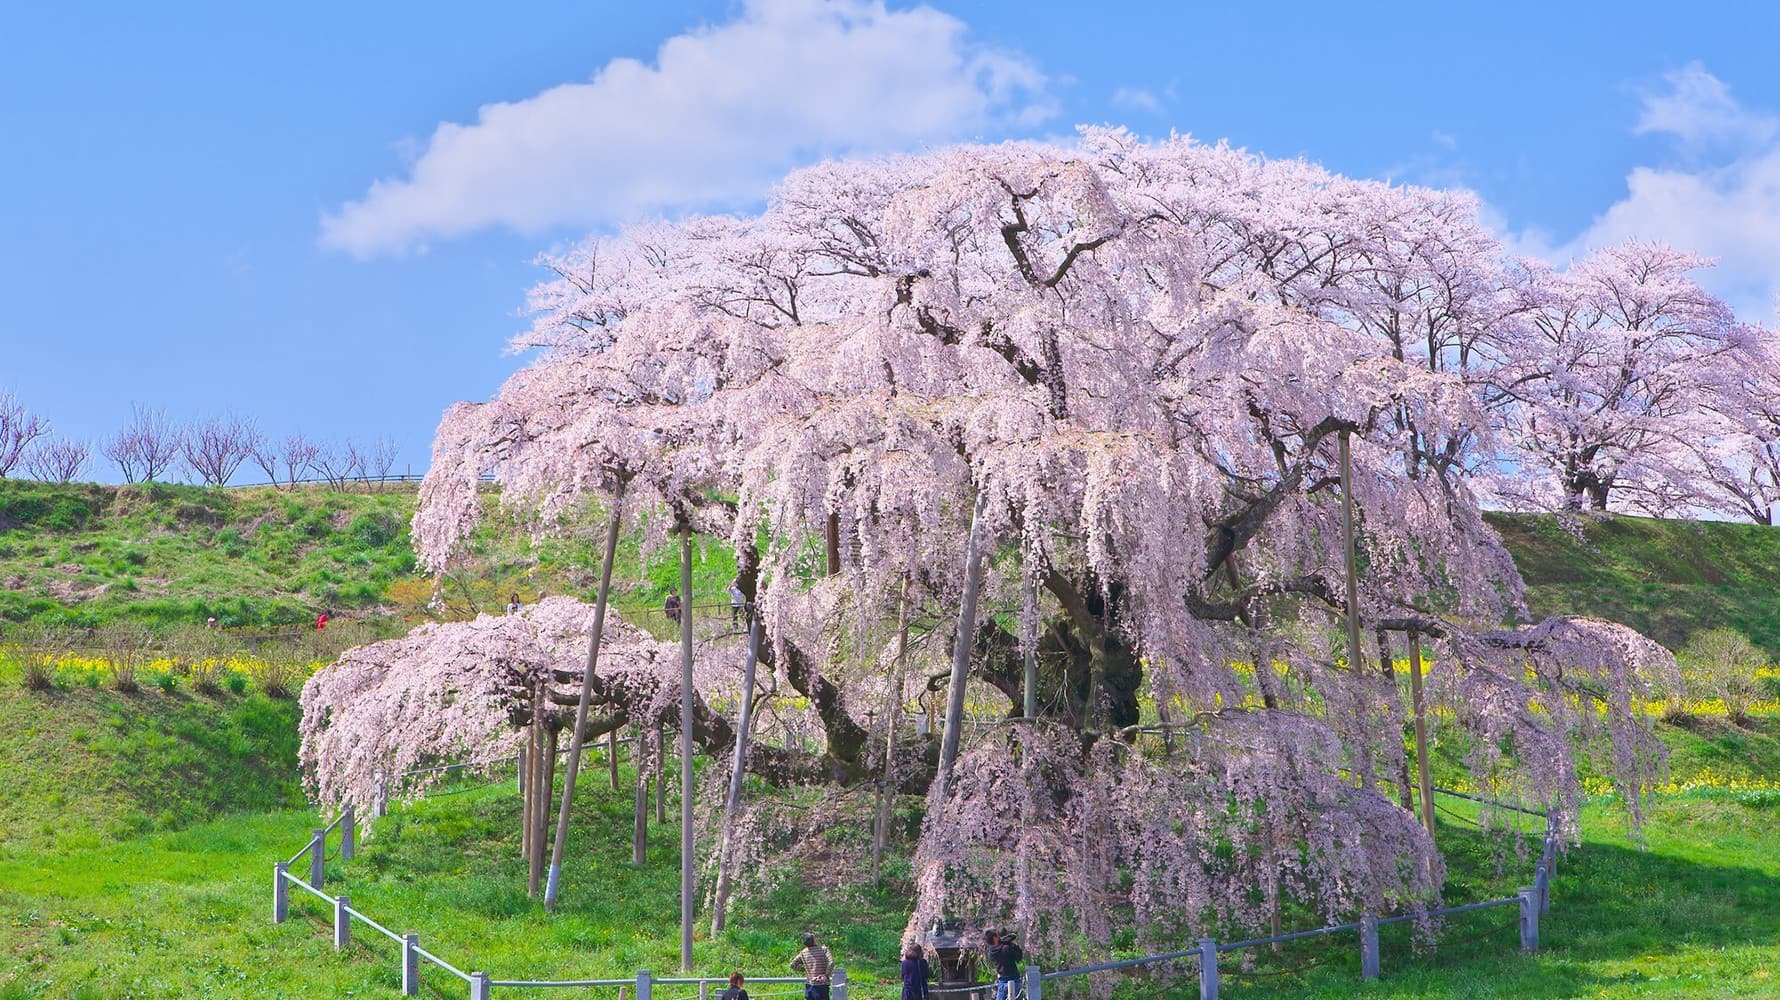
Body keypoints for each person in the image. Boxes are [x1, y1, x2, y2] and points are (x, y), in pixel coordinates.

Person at [790, 932, 833, 1000]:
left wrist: (805, 970)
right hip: (821, 985)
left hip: (809, 986)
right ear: (814, 940)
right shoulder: (824, 949)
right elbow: (831, 962)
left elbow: (792, 965)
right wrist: (826, 975)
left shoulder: (803, 953)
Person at [986, 930, 1023, 1000]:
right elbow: (1019, 957)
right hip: (1014, 978)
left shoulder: (991, 953)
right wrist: (1014, 945)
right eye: (997, 936)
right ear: (995, 938)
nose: (999, 937)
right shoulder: (1006, 948)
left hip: (1002, 980)